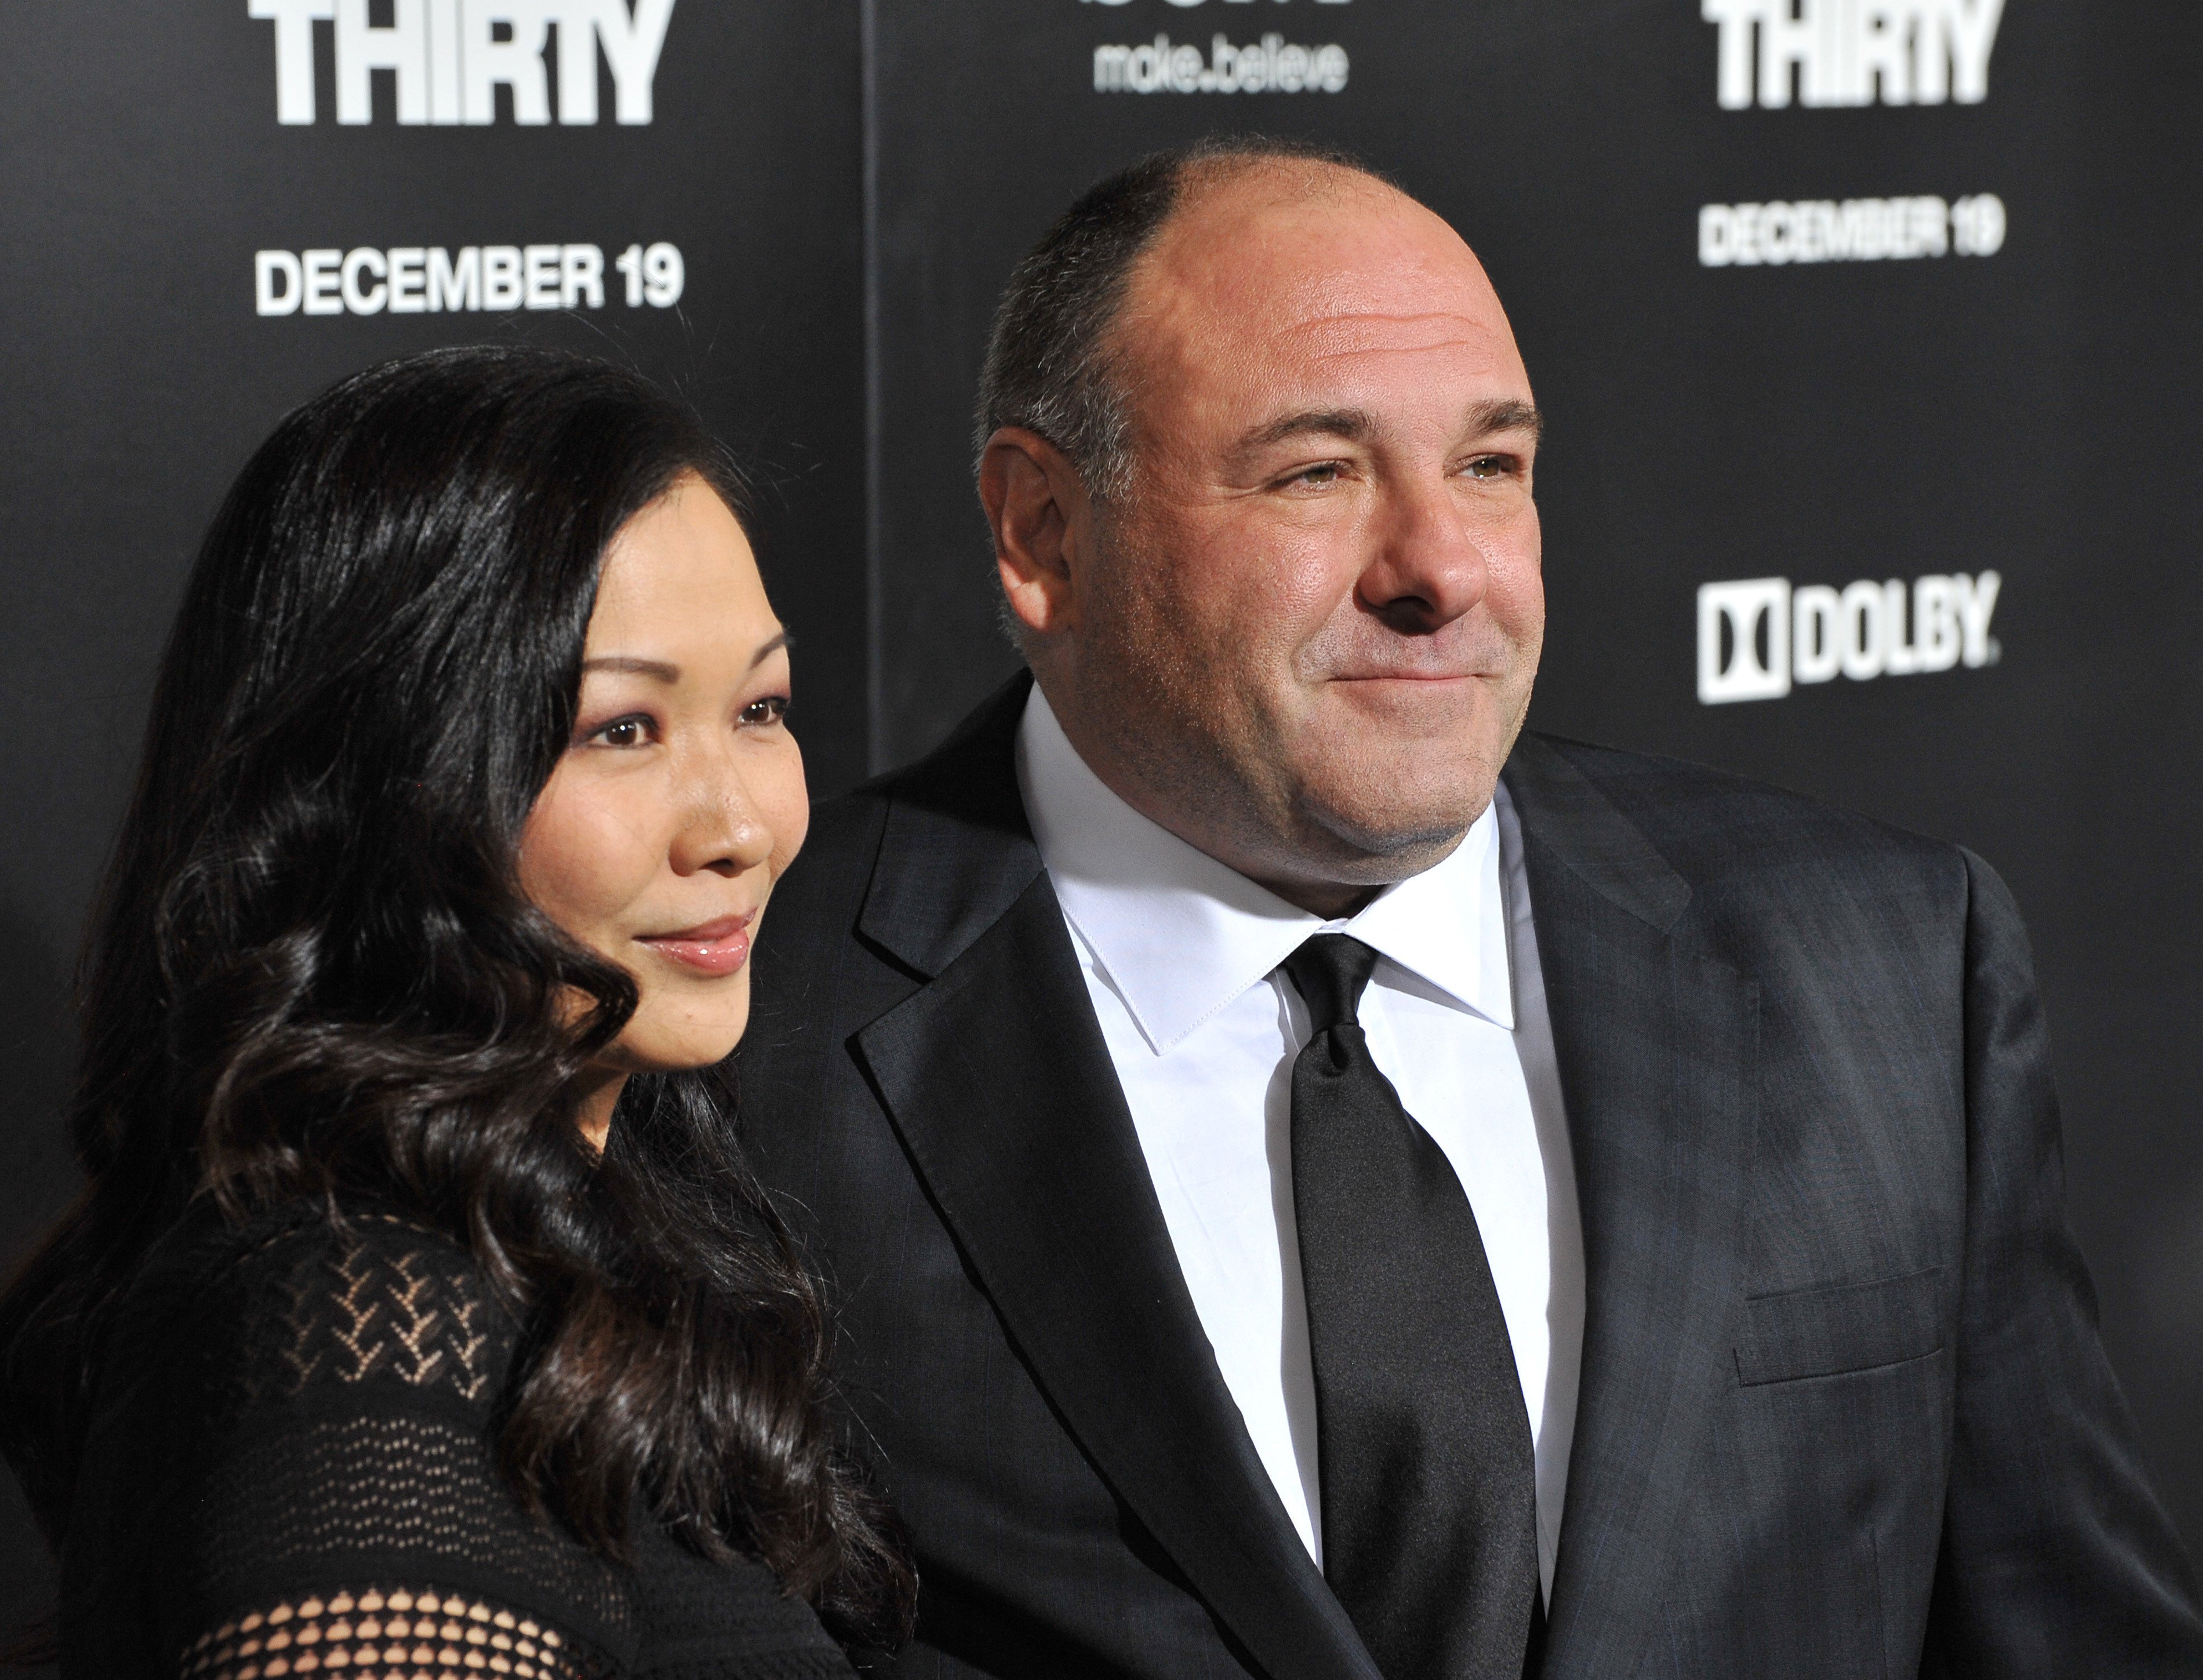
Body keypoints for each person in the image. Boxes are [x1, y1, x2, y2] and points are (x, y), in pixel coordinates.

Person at [733, 137, 2203, 1678]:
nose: (1442, 567)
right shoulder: (749, 1035)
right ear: (1043, 534)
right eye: (1318, 472)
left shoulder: (1889, 969)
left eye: (1492, 467)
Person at [0, 347, 913, 1678]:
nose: (740, 827)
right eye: (622, 731)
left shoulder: (588, 1215)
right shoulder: (363, 1308)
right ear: (395, 777)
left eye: (759, 708)